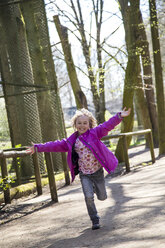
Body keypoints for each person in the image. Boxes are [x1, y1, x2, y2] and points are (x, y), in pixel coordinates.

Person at [26, 107, 131, 230]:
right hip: (84, 174)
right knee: (88, 196)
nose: (82, 125)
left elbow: (107, 125)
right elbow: (55, 145)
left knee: (102, 197)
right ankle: (95, 219)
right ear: (75, 124)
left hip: (97, 172)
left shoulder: (94, 133)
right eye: (79, 123)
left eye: (85, 123)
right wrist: (38, 147)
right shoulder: (71, 141)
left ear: (89, 124)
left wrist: (119, 116)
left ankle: (95, 189)